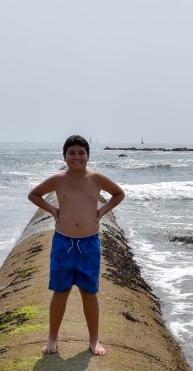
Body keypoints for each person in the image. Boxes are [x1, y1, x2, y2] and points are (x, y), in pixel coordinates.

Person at [28, 134, 124, 356]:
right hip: (63, 243)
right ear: (65, 157)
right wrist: (52, 210)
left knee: (89, 293)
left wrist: (102, 211)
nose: (76, 157)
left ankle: (94, 340)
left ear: (88, 156)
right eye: (71, 153)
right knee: (60, 292)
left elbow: (119, 194)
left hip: (89, 244)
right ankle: (52, 338)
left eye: (81, 152)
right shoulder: (58, 179)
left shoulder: (97, 178)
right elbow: (34, 194)